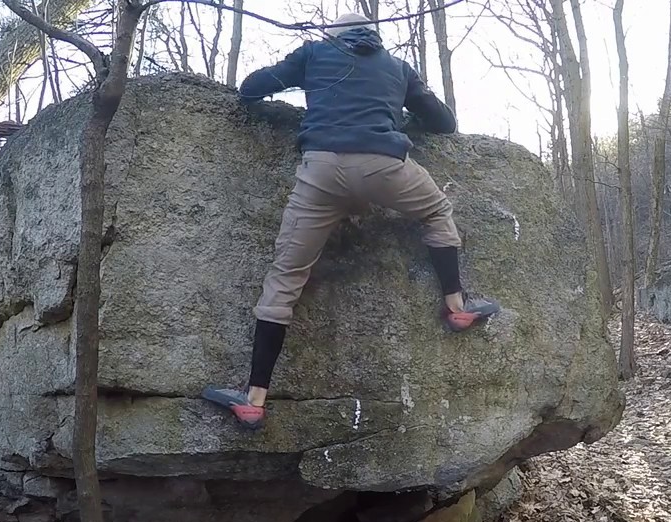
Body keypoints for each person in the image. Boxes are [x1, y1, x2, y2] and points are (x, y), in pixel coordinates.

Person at [201, 13, 499, 430]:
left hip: (321, 170)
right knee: (436, 211)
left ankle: (254, 399)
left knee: (285, 276)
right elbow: (444, 122)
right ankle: (456, 306)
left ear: (332, 37)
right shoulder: (397, 67)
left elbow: (251, 89)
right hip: (385, 168)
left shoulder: (315, 53)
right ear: (374, 37)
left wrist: (302, 80)